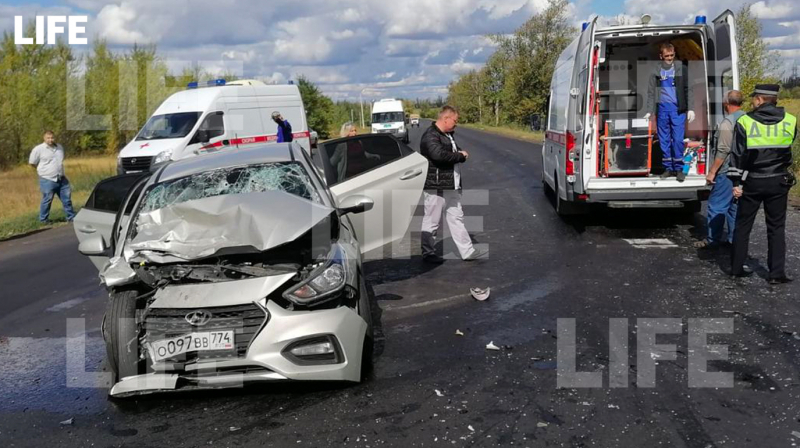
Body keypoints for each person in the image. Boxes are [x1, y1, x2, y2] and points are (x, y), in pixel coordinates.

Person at [728, 84, 796, 284]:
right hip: (778, 180)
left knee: (743, 225)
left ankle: (736, 269)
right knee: (776, 227)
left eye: (753, 99)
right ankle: (776, 274)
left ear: (759, 100)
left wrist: (736, 182)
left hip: (753, 181)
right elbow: (789, 143)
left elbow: (738, 155)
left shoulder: (745, 121)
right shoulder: (790, 121)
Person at [419, 106, 487, 263]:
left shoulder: (446, 135)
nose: (456, 124)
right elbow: (439, 155)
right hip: (436, 186)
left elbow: (452, 150)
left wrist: (459, 153)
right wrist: (460, 156)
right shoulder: (430, 136)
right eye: (455, 121)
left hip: (452, 185)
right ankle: (428, 253)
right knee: (432, 221)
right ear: (445, 119)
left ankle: (467, 251)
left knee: (457, 218)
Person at [695, 90, 745, 249]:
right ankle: (733, 240)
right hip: (743, 171)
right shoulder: (749, 119)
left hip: (726, 170)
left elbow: (723, 150)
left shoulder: (727, 123)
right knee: (734, 207)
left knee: (717, 205)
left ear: (726, 104)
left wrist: (712, 172)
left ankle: (712, 240)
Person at [644, 42, 696, 182]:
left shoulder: (681, 69)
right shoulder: (656, 71)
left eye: (672, 55)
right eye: (666, 56)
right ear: (661, 56)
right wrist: (649, 111)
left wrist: (690, 108)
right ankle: (668, 168)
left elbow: (688, 89)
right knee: (664, 140)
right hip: (662, 110)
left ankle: (679, 169)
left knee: (678, 140)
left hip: (677, 110)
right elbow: (650, 93)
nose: (669, 58)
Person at [29, 131, 76, 223]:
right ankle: (43, 219)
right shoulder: (38, 149)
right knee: (47, 200)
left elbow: (60, 161)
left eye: (52, 138)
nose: (50, 140)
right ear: (44, 138)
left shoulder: (59, 148)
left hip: (61, 178)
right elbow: (32, 162)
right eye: (48, 138)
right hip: (47, 179)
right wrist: (42, 170)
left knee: (66, 199)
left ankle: (71, 216)